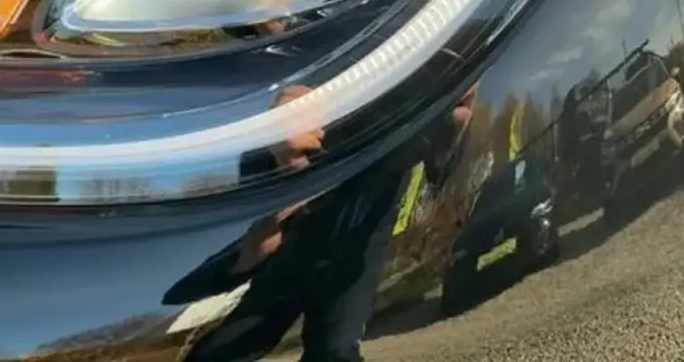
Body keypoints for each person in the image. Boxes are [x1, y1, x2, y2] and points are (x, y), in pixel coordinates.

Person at [181, 84, 475, 362]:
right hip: (286, 264)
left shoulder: (395, 123)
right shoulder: (262, 155)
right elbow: (247, 240)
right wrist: (277, 158)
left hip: (353, 262)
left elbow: (439, 172)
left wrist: (452, 133)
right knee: (224, 350)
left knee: (335, 350)